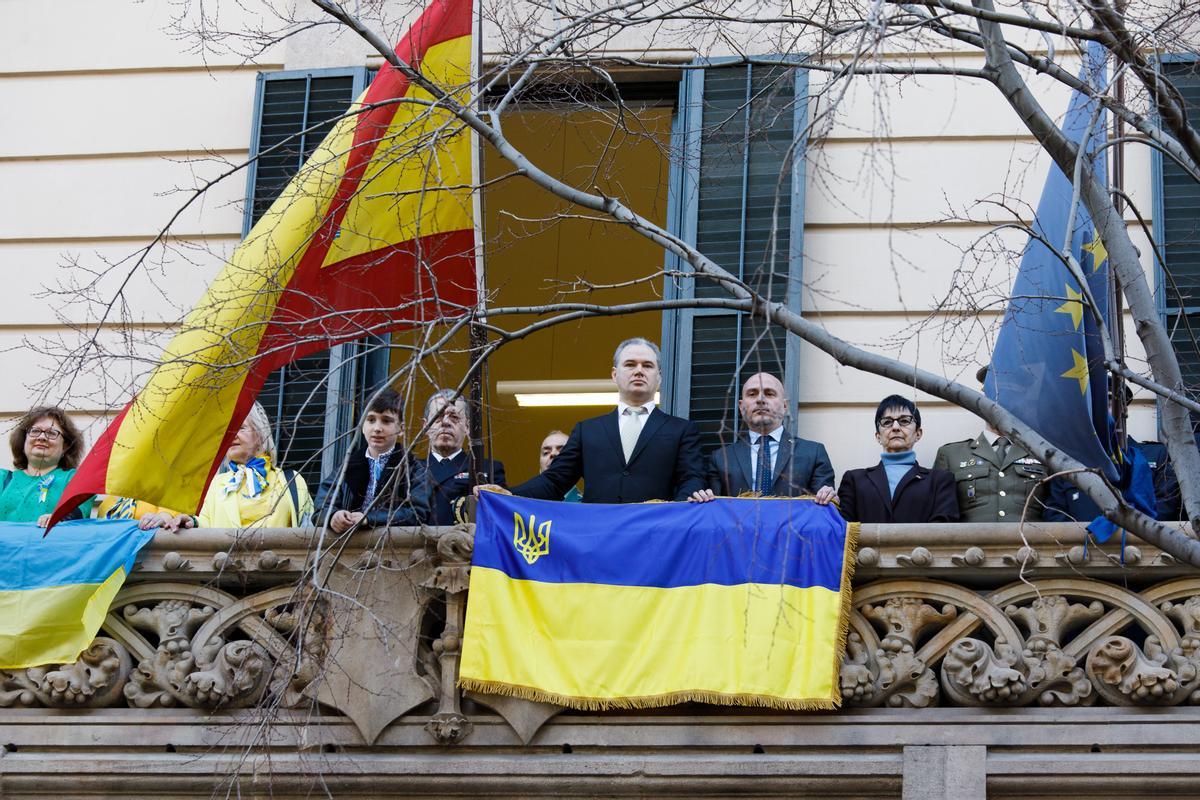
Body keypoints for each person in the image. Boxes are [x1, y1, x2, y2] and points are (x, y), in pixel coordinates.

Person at [490, 338, 710, 504]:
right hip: (598, 541)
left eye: (648, 366)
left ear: (659, 377)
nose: (639, 371)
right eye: (630, 364)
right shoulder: (588, 431)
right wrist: (509, 494)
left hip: (657, 538)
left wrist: (680, 509)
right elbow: (555, 481)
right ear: (614, 375)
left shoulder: (682, 430)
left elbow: (692, 479)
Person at [141, 401, 313, 531]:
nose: (232, 436)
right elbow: (205, 525)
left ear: (260, 434)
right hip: (224, 572)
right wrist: (190, 522)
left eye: (241, 428)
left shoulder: (292, 481)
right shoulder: (214, 485)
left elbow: (308, 531)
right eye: (228, 431)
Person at [933, 366, 1049, 522]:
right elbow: (940, 517)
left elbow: (1057, 510)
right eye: (994, 399)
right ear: (981, 403)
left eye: (1009, 398)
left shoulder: (1044, 453)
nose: (1000, 406)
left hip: (1029, 545)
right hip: (973, 545)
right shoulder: (951, 454)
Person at [706, 372, 836, 503]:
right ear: (741, 407)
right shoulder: (720, 459)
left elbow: (824, 511)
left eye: (769, 394)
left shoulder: (813, 453)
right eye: (752, 394)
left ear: (785, 406)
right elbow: (714, 512)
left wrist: (829, 498)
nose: (760, 399)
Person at [315, 388, 431, 532]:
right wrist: (333, 516)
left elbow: (417, 513)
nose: (377, 428)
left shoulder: (415, 468)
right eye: (371, 420)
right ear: (363, 426)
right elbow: (321, 507)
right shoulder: (346, 466)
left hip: (392, 549)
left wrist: (369, 518)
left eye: (386, 421)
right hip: (347, 550)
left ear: (401, 429)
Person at [837, 395, 958, 523]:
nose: (895, 427)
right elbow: (842, 530)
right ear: (878, 436)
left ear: (918, 433)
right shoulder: (854, 480)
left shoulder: (940, 481)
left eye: (905, 421)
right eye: (887, 422)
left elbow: (944, 532)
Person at [423, 389, 506, 525]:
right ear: (425, 426)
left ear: (467, 427)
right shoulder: (409, 469)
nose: (445, 422)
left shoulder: (486, 468)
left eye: (454, 417)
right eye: (437, 416)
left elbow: (499, 516)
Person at [0, 406, 92, 524]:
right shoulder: (2, 479)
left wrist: (59, 518)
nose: (42, 437)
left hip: (51, 541)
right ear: (23, 441)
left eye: (51, 433)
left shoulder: (77, 479)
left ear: (65, 446)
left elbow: (78, 513)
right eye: (35, 431)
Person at [539, 430, 582, 502]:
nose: (553, 453)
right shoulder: (523, 506)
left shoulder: (588, 507)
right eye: (546, 453)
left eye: (562, 451)